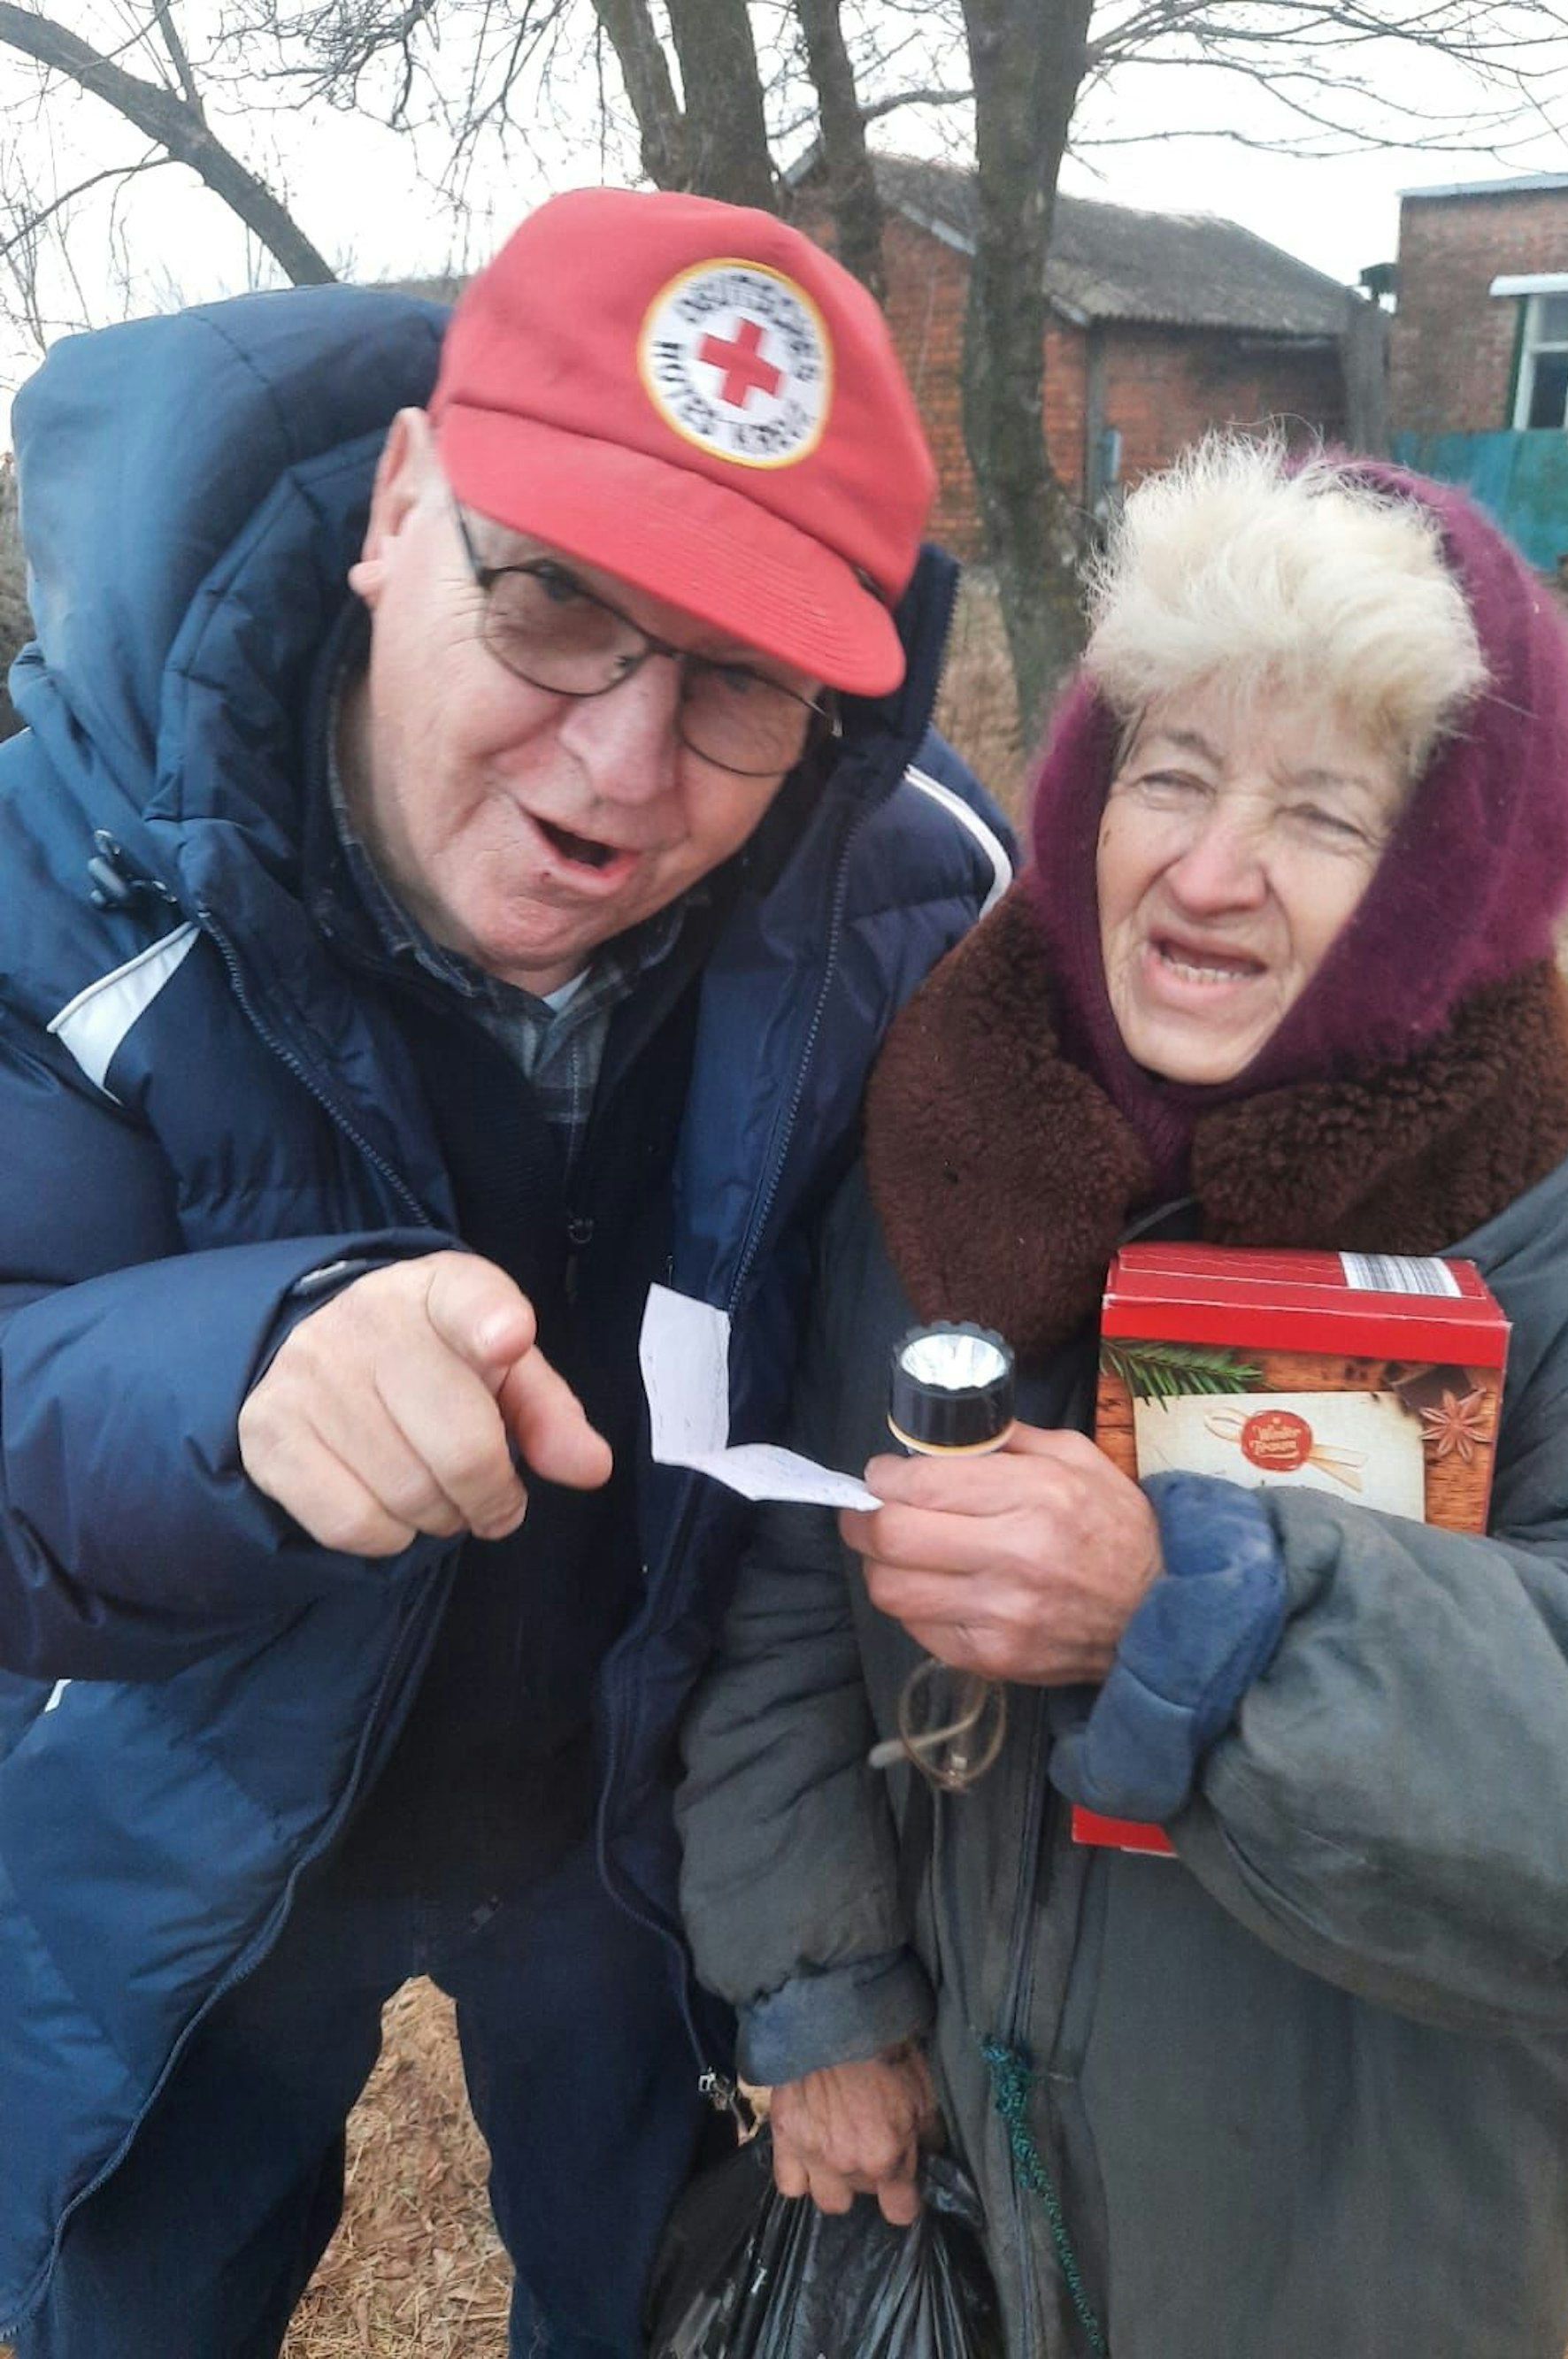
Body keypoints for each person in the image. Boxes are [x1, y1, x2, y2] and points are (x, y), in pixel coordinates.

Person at [0, 188, 1009, 2359]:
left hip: (636, 1828)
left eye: (736, 680)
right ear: (399, 507)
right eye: (553, 602)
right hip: (196, 1812)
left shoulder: (921, 905)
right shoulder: (57, 872)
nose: (621, 764)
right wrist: (241, 1380)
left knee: (638, 2304)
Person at [675, 437, 1568, 2358]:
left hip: (1352, 2242)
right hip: (964, 2179)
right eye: (1170, 774)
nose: (1206, 870)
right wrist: (823, 1992)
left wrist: (1200, 1619)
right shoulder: (951, 1127)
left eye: (1325, 814)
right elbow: (789, 1581)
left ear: (1447, 877)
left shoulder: (1564, 1222)